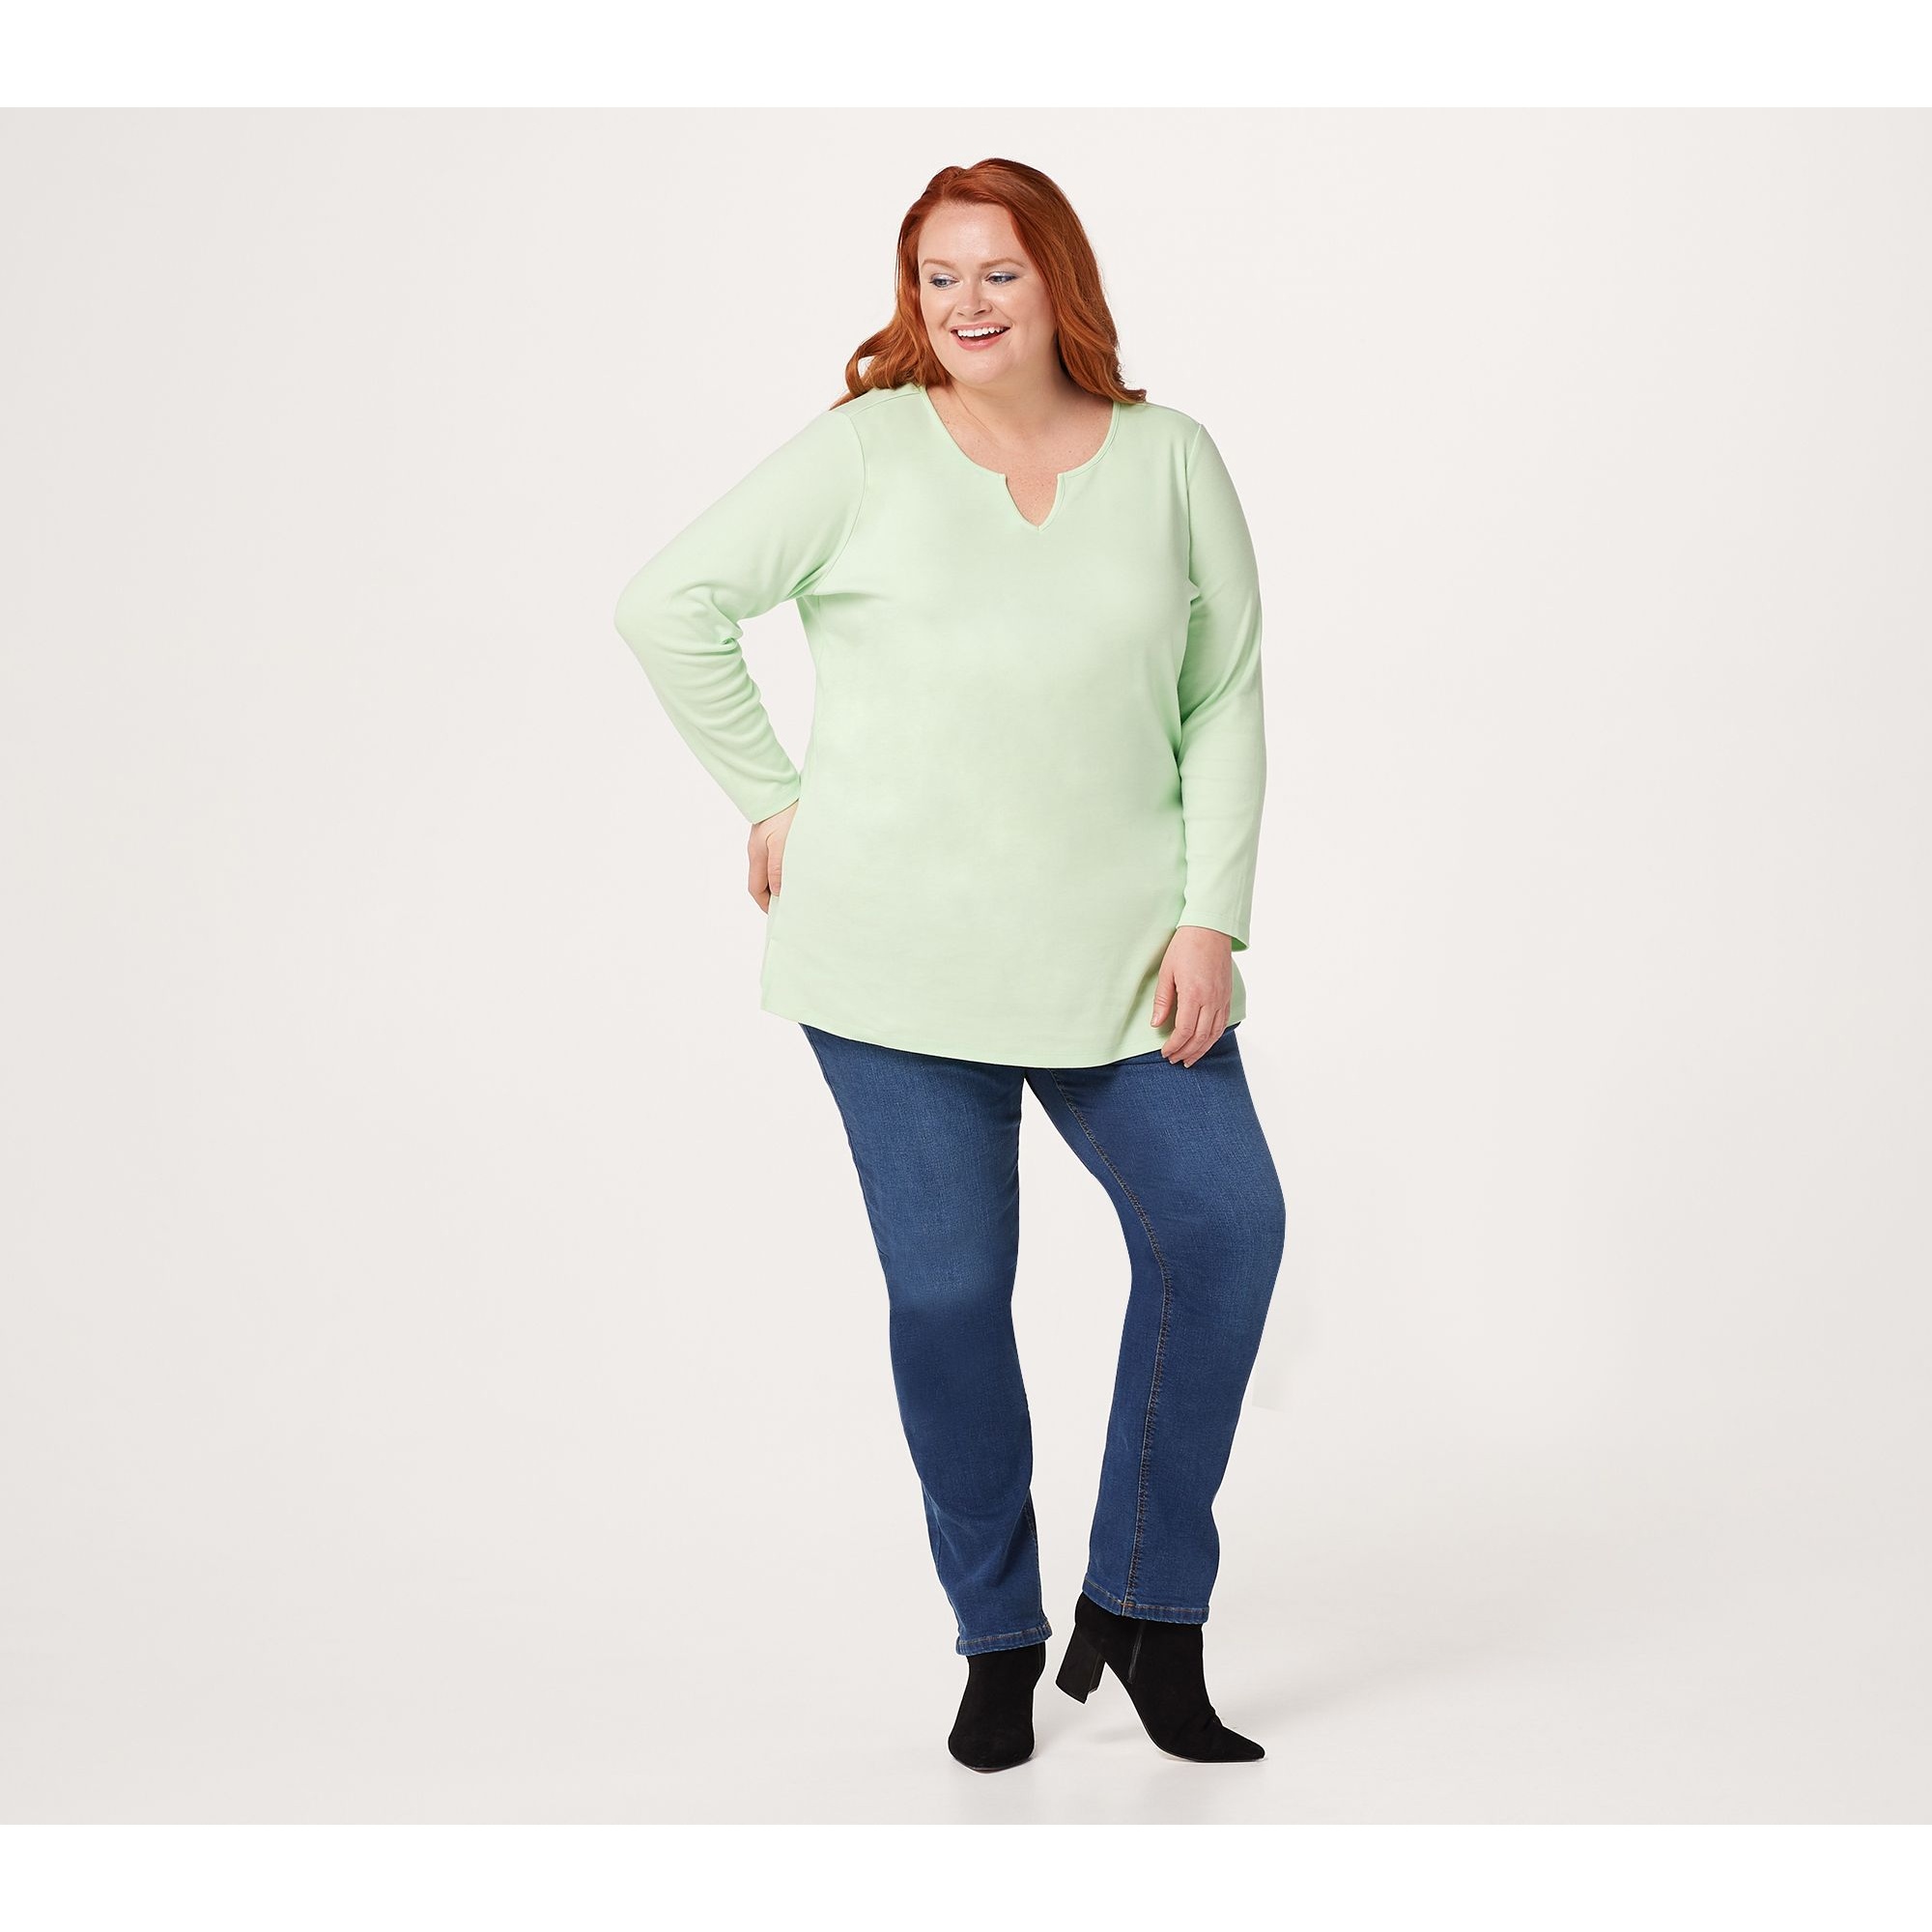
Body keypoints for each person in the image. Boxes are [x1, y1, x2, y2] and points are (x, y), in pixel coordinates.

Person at [613, 157, 1286, 1773]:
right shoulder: (863, 452)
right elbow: (667, 604)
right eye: (937, 277)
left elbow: (1227, 692)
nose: (967, 303)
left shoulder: (1171, 459)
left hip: (1125, 955)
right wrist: (774, 797)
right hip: (893, 968)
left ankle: (1151, 1608)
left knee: (1225, 1228)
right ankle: (999, 1637)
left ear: (1060, 279)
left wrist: (1211, 915)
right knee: (951, 1296)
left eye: (998, 271)